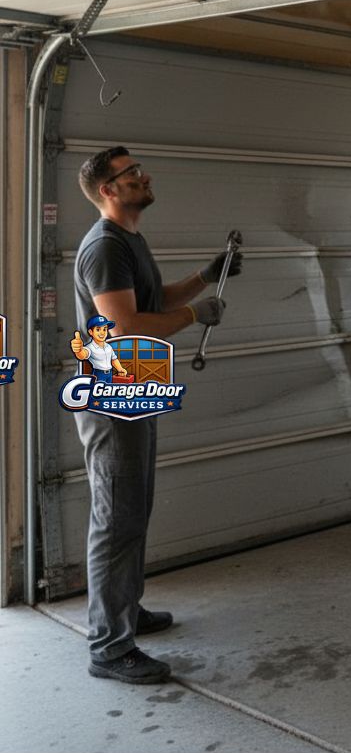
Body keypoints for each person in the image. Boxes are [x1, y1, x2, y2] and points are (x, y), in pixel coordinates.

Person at [73, 145, 242, 684]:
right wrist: (195, 315)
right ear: (109, 190)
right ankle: (109, 646)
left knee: (133, 510)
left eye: (139, 169)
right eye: (132, 173)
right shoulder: (104, 246)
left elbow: (149, 300)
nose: (145, 177)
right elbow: (125, 329)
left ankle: (125, 611)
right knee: (116, 517)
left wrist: (203, 277)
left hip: (135, 386)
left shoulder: (129, 241)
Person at [70, 315, 128, 383]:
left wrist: (120, 369)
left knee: (108, 392)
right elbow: (83, 355)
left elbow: (113, 359)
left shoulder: (108, 347)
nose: (102, 332)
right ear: (91, 332)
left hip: (110, 373)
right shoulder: (90, 347)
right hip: (99, 374)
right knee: (98, 392)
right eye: (98, 329)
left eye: (104, 329)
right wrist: (78, 350)